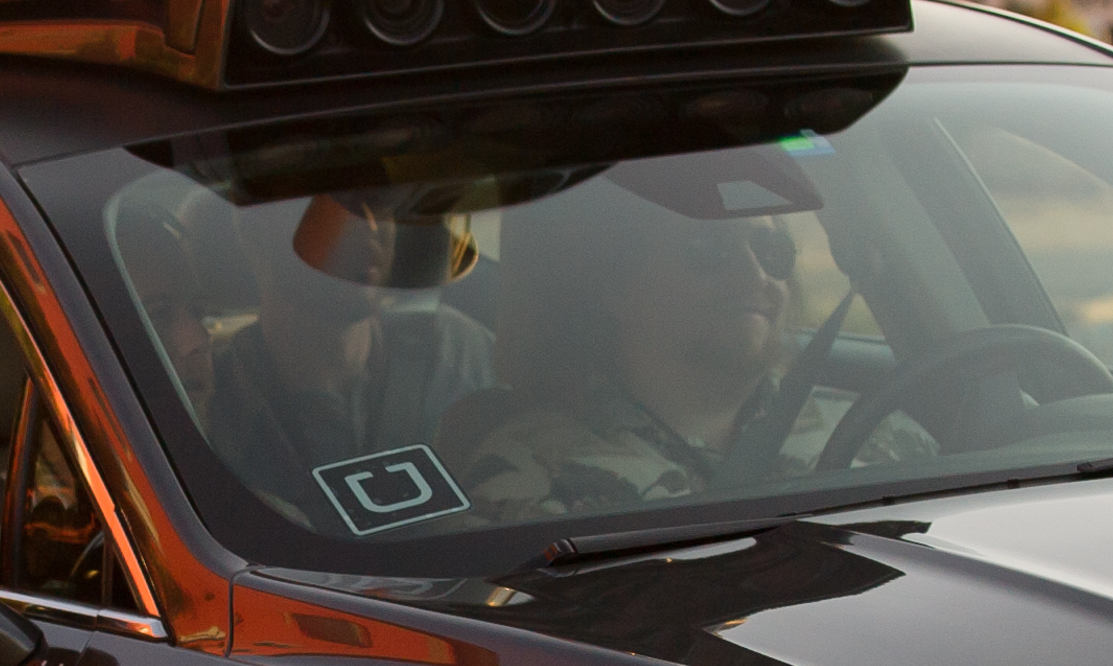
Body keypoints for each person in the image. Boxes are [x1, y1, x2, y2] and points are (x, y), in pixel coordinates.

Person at [444, 193, 936, 524]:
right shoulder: (533, 473)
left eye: (772, 251)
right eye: (708, 252)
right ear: (619, 289)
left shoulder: (873, 428)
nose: (755, 275)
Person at [196, 197, 497, 511]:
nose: (371, 227)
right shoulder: (209, 399)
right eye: (341, 203)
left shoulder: (459, 353)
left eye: (380, 201)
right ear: (257, 232)